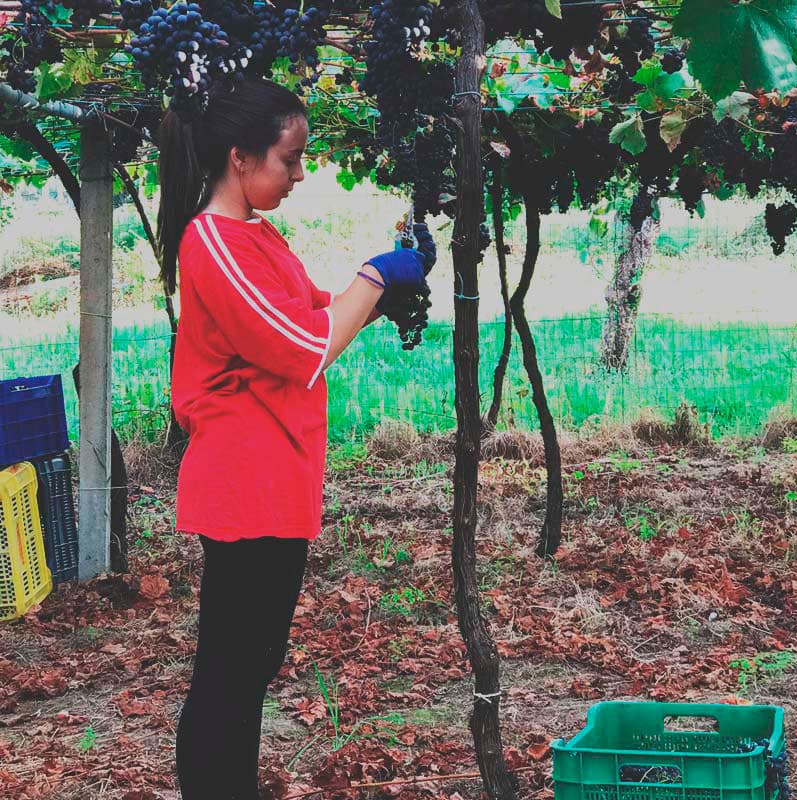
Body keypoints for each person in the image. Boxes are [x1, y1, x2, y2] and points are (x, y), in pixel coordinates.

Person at [155, 77, 436, 800]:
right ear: (240, 158)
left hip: (278, 475)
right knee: (230, 664)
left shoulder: (257, 235)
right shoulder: (212, 242)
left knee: (254, 659)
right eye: (291, 159)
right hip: (244, 480)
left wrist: (380, 296)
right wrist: (375, 275)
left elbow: (320, 316)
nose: (302, 173)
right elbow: (302, 345)